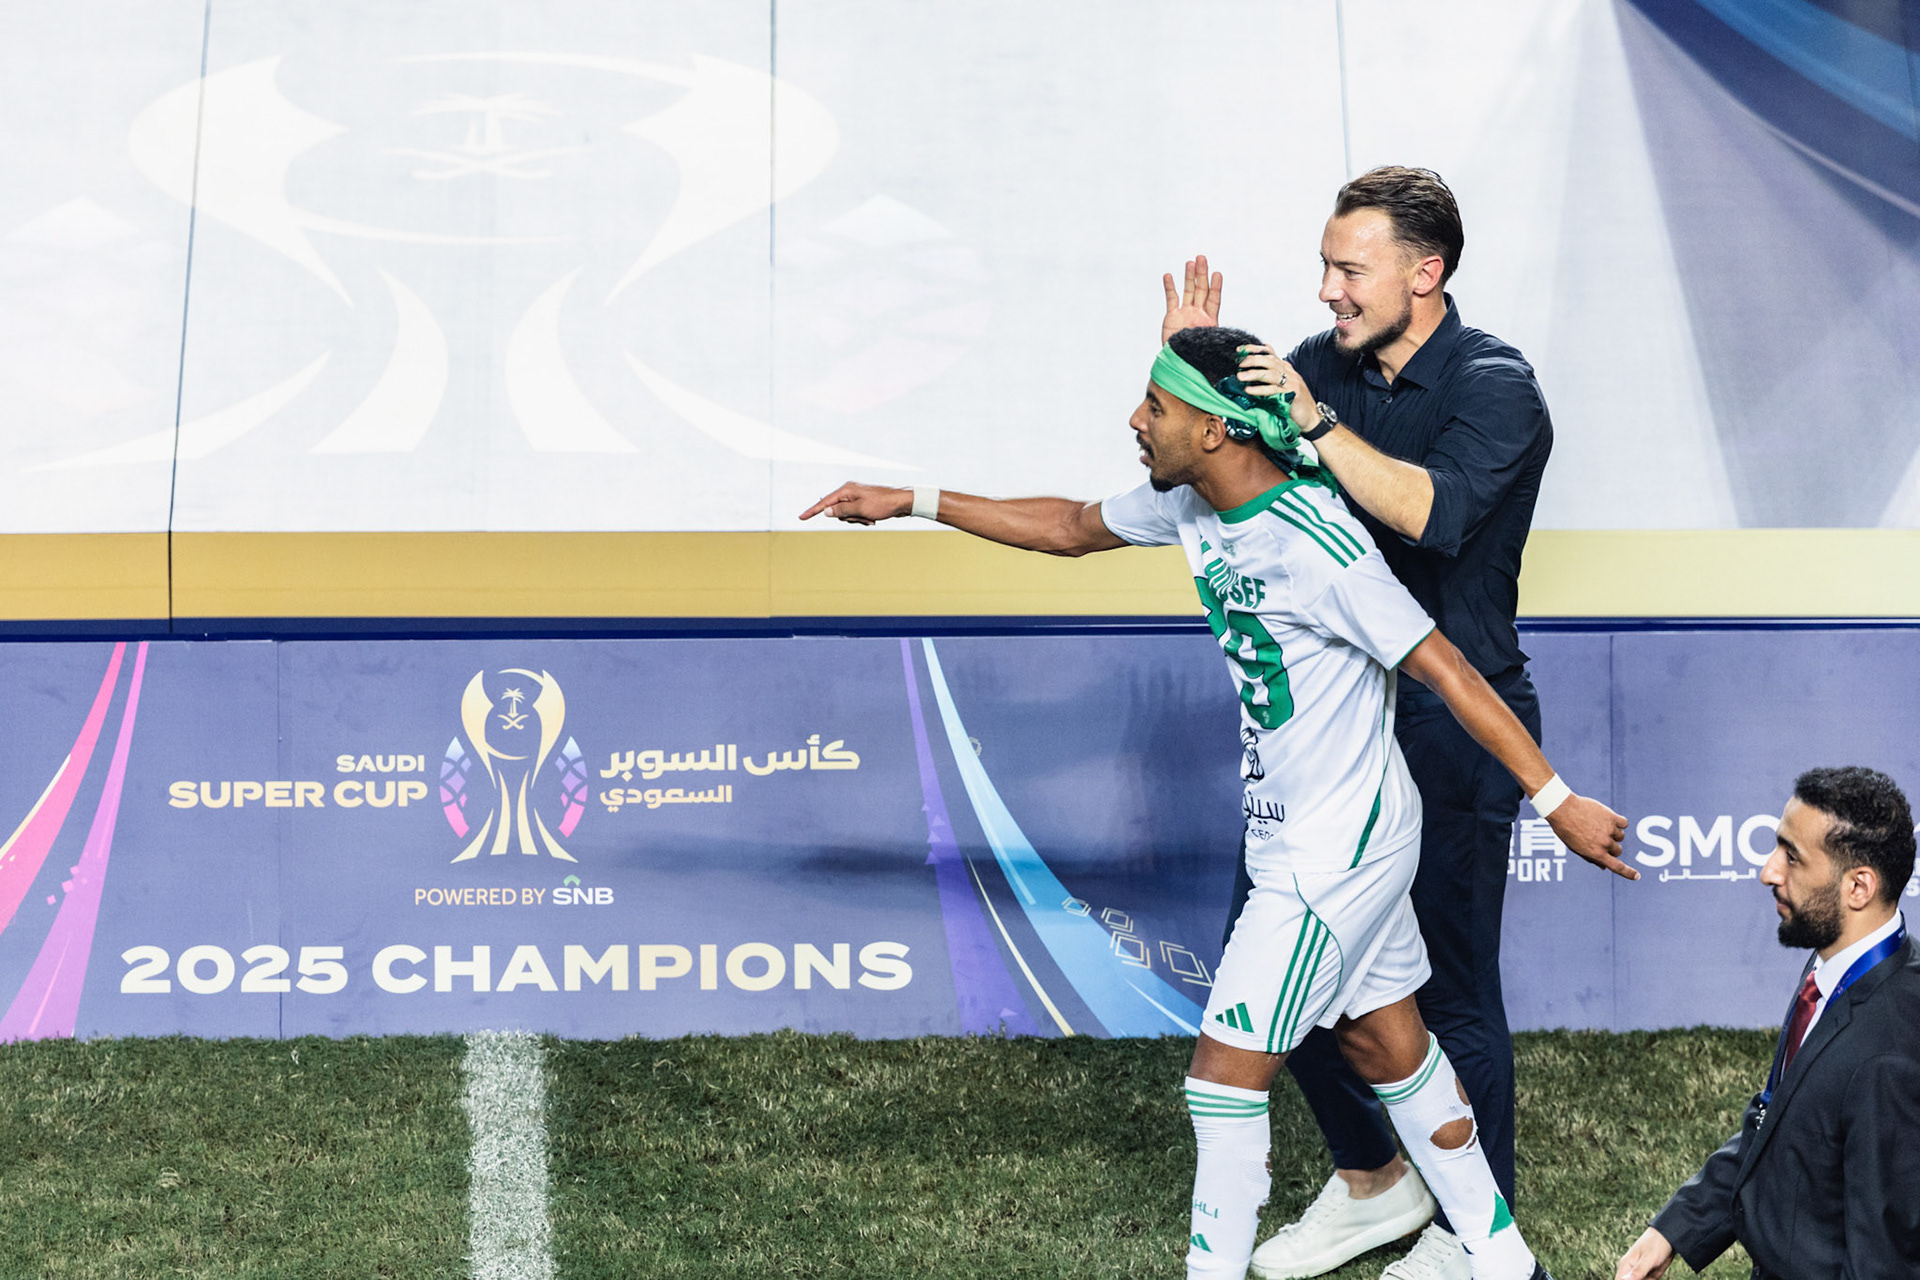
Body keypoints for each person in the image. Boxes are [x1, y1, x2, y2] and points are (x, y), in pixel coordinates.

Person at [802, 323, 1632, 1280]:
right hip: (1302, 835)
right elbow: (1071, 527)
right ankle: (1504, 1261)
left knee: (1222, 1083)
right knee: (1388, 1046)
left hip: (1338, 850)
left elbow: (1447, 667)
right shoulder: (1194, 503)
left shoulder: (1319, 546)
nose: (1134, 421)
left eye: (1155, 406)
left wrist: (1555, 797)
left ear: (1216, 433)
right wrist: (914, 500)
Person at [1162, 166, 1560, 1280]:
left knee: (1451, 994)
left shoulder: (1494, 386)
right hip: (1332, 734)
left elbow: (1429, 512)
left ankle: (1468, 1233)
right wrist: (1195, 380)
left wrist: (1315, 421)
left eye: (1352, 268)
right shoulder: (1318, 365)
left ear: (1424, 275)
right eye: (1326, 266)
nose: (1330, 290)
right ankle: (1373, 1180)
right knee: (1286, 961)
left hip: (1453, 716)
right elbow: (1205, 465)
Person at [1615, 766, 1919, 1280]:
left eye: (1792, 857)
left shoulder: (1887, 1054)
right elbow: (1776, 1123)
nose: (1768, 871)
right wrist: (1674, 1228)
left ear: (1859, 886)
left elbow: (1883, 1264)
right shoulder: (1835, 965)